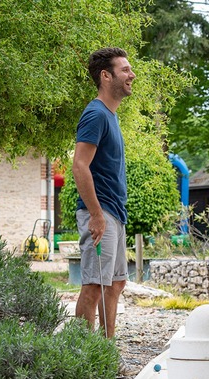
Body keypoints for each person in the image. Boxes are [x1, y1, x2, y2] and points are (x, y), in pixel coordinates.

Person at [72, 47, 135, 338]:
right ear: (105, 75)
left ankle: (106, 348)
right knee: (94, 284)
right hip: (100, 213)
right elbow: (80, 165)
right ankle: (83, 354)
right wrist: (96, 215)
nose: (131, 75)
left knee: (116, 283)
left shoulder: (111, 116)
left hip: (114, 213)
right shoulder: (96, 114)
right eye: (125, 70)